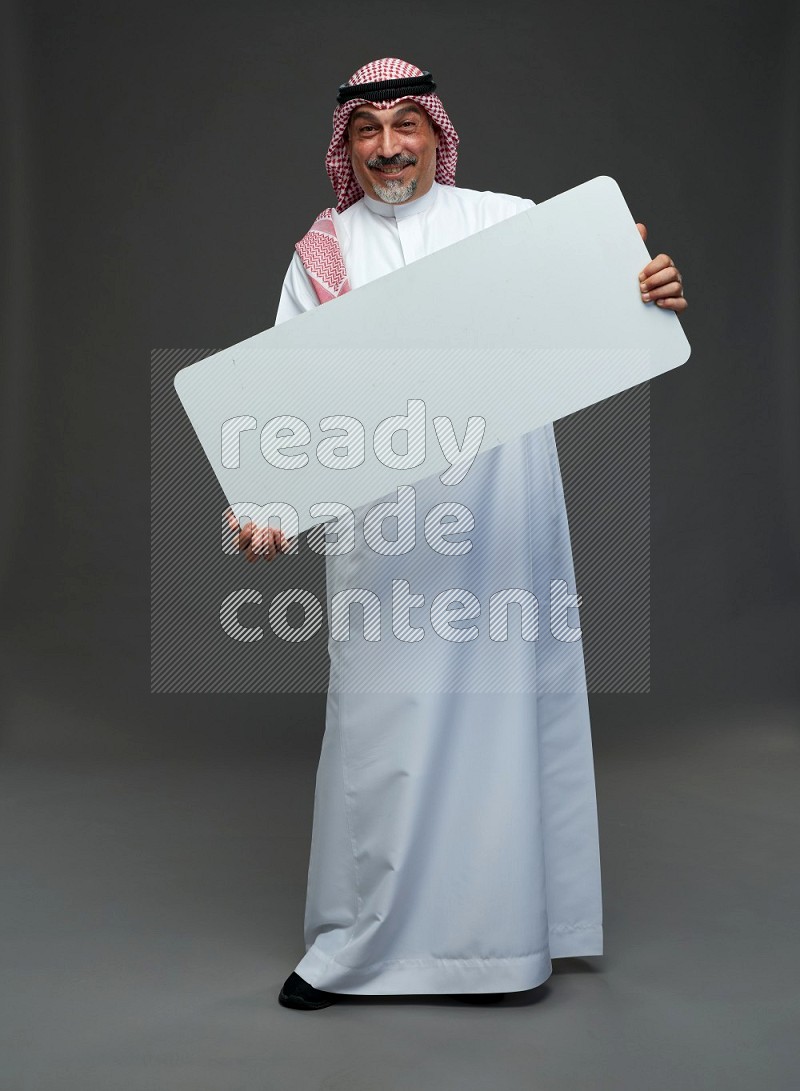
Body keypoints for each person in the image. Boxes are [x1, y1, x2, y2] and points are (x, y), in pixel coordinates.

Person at [232, 58, 687, 1011]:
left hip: (504, 512)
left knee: (500, 724)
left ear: (437, 133)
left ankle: (501, 950)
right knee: (381, 733)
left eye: (407, 125)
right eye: (369, 129)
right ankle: (358, 947)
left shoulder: (508, 219)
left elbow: (603, 314)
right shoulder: (324, 252)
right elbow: (290, 396)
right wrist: (264, 502)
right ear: (346, 145)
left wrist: (645, 287)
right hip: (389, 529)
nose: (390, 146)